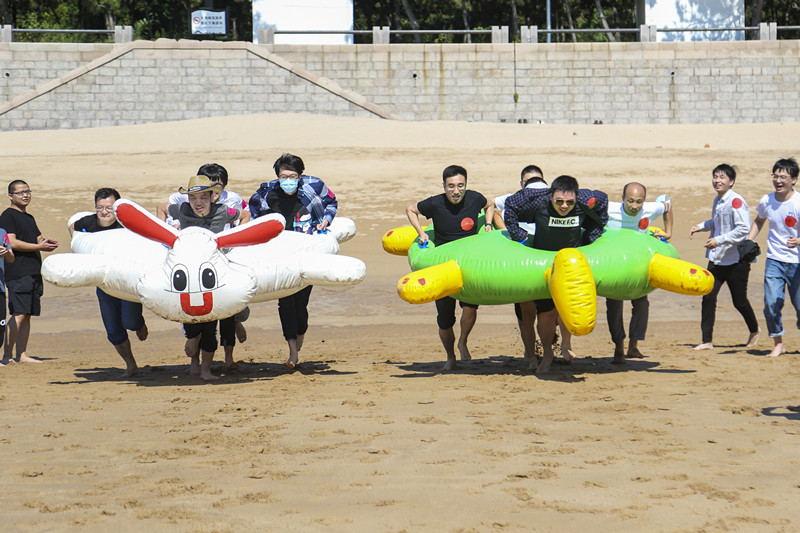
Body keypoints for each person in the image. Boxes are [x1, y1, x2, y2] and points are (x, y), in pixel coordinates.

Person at [504, 175, 608, 375]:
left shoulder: (585, 201)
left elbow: (602, 203)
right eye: (559, 201)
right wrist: (519, 235)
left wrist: (590, 236)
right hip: (542, 265)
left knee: (559, 311)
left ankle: (559, 348)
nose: (564, 206)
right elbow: (511, 205)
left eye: (570, 202)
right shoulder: (538, 200)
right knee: (538, 315)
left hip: (570, 266)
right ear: (551, 196)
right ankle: (541, 354)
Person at [249, 153, 338, 369]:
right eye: (283, 176)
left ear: (300, 175)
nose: (288, 180)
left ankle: (299, 334)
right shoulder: (266, 192)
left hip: (307, 252)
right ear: (277, 176)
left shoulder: (314, 186)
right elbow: (253, 215)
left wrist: (326, 220)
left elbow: (331, 203)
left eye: (293, 176)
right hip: (279, 254)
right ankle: (292, 351)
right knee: (285, 302)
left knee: (301, 304)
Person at [157, 175, 249, 380]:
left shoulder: (224, 211)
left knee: (209, 325)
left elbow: (245, 215)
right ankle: (194, 361)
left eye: (203, 198)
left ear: (211, 197)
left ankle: (206, 369)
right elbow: (161, 208)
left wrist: (235, 241)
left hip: (212, 275)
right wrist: (164, 238)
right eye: (193, 198)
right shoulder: (181, 210)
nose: (198, 203)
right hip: (189, 274)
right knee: (190, 317)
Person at [406, 165, 494, 371]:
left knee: (470, 307)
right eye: (451, 186)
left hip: (469, 266)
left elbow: (490, 203)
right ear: (444, 186)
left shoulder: (474, 198)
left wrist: (488, 224)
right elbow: (410, 209)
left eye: (460, 186)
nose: (456, 191)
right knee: (445, 320)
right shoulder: (435, 203)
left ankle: (463, 341)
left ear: (466, 185)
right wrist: (421, 232)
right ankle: (450, 357)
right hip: (443, 268)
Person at [69, 188, 149, 378]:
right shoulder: (86, 223)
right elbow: (73, 228)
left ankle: (138, 323)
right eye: (100, 208)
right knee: (113, 331)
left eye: (109, 208)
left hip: (127, 284)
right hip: (104, 285)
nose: (104, 212)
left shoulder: (127, 225)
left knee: (129, 321)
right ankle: (131, 365)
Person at [689, 165, 760, 351]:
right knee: (708, 297)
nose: (717, 180)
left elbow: (743, 229)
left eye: (722, 177)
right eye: (715, 176)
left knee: (740, 302)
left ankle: (754, 330)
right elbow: (718, 221)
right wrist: (700, 226)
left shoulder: (736, 201)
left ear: (731, 181)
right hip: (717, 259)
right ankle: (707, 341)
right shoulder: (718, 199)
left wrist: (718, 241)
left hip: (736, 260)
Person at [605, 182, 673, 363]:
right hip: (615, 266)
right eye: (630, 201)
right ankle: (618, 346)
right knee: (614, 306)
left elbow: (667, 205)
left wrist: (669, 232)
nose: (634, 206)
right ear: (622, 199)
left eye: (639, 202)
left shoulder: (650, 209)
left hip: (639, 264)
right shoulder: (609, 209)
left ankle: (633, 345)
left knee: (642, 304)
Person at [0, 180, 58, 365]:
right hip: (18, 271)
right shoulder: (8, 216)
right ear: (11, 196)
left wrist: (45, 242)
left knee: (27, 313)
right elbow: (12, 243)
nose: (25, 195)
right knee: (18, 313)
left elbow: (37, 238)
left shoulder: (29, 217)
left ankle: (22, 354)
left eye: (28, 191)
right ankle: (7, 356)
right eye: (20, 192)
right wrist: (38, 246)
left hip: (34, 271)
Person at [747, 158, 800, 358]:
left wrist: (799, 241)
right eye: (775, 176)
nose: (778, 180)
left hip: (797, 262)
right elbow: (759, 220)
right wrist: (749, 241)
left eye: (783, 177)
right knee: (770, 303)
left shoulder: (798, 203)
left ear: (793, 180)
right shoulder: (766, 200)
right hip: (774, 260)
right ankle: (778, 343)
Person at [0, 226, 15, 367]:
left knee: (0, 324)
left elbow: (11, 258)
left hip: (0, 286)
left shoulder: (2, 232)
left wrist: (6, 253)